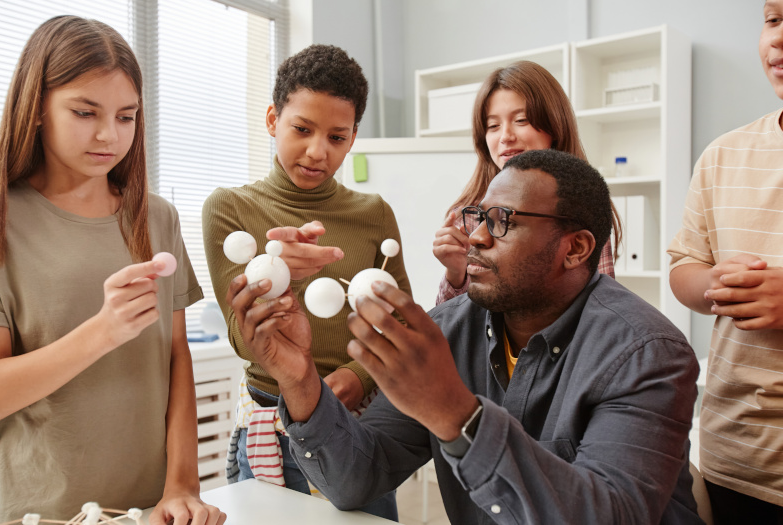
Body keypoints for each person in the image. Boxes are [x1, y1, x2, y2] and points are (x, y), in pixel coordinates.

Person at [227, 149, 703, 524]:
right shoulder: (449, 328)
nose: (475, 237)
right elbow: (358, 478)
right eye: (478, 217)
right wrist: (299, 380)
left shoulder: (648, 354)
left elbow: (610, 517)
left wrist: (455, 412)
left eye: (504, 221)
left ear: (575, 249)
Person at [0, 16, 224, 525]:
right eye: (85, 112)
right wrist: (103, 331)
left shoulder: (156, 217)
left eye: (126, 116)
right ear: (37, 108)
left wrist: (181, 485)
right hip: (35, 509)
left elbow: (177, 358)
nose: (108, 135)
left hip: (147, 507)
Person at [201, 44, 409, 520]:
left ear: (354, 137)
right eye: (302, 129)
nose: (318, 151)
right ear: (273, 118)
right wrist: (277, 280)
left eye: (337, 137)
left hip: (357, 428)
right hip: (271, 422)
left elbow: (400, 320)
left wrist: (360, 377)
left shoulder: (373, 214)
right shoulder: (231, 209)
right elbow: (243, 340)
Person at [667, 0, 783, 521]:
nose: (778, 37)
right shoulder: (723, 154)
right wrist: (716, 281)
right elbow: (683, 267)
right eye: (773, 19)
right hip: (734, 456)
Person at [432, 60, 621, 305]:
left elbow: (602, 308)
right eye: (493, 126)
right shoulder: (468, 217)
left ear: (555, 126)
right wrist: (456, 274)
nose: (506, 137)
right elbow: (452, 329)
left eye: (521, 120)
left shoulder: (585, 208)